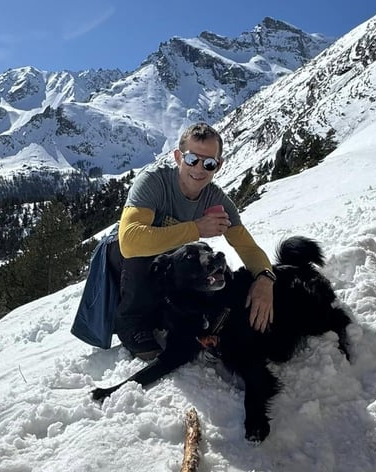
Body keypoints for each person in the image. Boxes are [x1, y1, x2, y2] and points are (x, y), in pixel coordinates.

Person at [107, 122, 276, 360]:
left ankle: (163, 313)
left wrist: (265, 278)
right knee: (144, 255)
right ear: (178, 157)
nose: (199, 169)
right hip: (124, 257)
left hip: (166, 256)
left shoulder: (216, 200)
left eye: (209, 163)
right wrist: (195, 228)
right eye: (192, 159)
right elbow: (130, 241)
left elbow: (247, 247)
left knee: (190, 260)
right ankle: (131, 322)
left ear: (218, 165)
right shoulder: (153, 183)